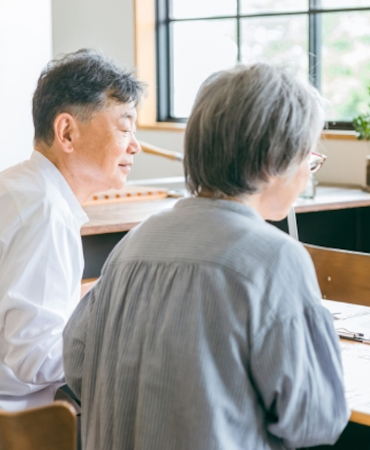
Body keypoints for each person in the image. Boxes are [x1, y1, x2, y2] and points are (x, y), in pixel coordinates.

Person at [63, 63, 349, 450]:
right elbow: (315, 420)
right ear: (273, 162)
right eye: (307, 157)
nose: (307, 174)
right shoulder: (274, 257)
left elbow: (77, 365)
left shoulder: (133, 244)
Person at [0, 49, 144, 411]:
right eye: (124, 127)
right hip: (22, 423)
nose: (135, 146)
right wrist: (124, 339)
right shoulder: (46, 212)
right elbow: (34, 357)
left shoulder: (18, 186)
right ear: (66, 132)